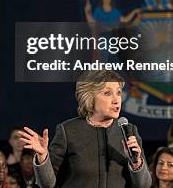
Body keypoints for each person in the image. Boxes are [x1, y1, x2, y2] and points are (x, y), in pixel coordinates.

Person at [19, 70, 151, 188]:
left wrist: (136, 163)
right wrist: (43, 157)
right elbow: (47, 184)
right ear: (89, 97)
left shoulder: (129, 131)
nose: (116, 100)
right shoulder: (68, 130)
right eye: (107, 93)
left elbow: (144, 185)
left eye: (118, 93)